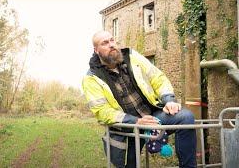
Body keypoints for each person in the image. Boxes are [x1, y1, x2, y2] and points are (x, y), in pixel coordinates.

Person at [82, 31, 196, 168]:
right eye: (104, 43)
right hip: (127, 126)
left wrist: (169, 100)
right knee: (131, 164)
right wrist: (136, 121)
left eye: (112, 40)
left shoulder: (131, 57)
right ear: (96, 50)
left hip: (152, 115)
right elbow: (102, 111)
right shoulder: (91, 78)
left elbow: (157, 78)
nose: (111, 45)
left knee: (186, 117)